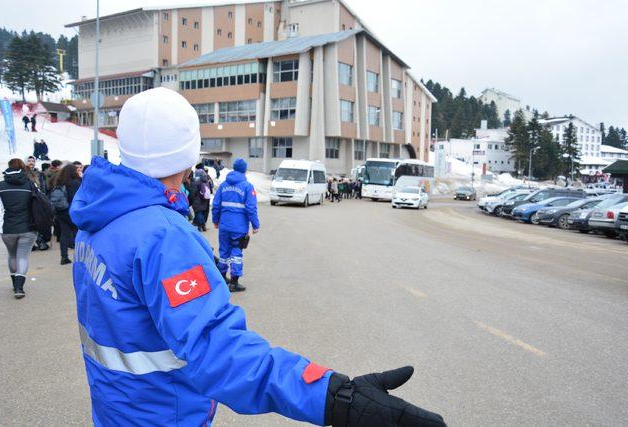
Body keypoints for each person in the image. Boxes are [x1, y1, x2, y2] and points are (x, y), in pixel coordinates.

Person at [69, 88, 446, 426]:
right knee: (234, 257)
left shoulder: (98, 217)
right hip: (164, 414)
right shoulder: (163, 236)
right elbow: (219, 352)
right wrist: (332, 397)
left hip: (114, 410)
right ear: (187, 155)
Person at [0, 159, 37, 298]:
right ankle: (19, 288)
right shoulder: (30, 184)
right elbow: (42, 201)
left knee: (12, 255)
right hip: (28, 227)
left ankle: (14, 283)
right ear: (22, 168)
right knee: (23, 256)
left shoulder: (0, 185)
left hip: (8, 228)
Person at [212, 158, 259, 292]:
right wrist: (255, 225)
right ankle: (234, 282)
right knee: (236, 253)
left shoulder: (223, 185)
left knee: (224, 252)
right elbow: (251, 208)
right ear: (244, 170)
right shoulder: (247, 186)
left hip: (224, 226)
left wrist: (216, 220)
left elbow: (216, 205)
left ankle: (221, 278)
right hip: (239, 228)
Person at [53, 163, 81, 265]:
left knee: (64, 234)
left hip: (61, 212)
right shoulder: (76, 183)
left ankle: (64, 257)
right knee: (77, 233)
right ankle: (79, 256)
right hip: (72, 211)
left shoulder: (59, 183)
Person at [189, 167, 211, 232]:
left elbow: (193, 192)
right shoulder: (206, 181)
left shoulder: (195, 182)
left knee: (198, 213)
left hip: (197, 200)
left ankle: (200, 226)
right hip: (205, 200)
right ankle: (203, 226)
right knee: (202, 213)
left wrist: (192, 199)